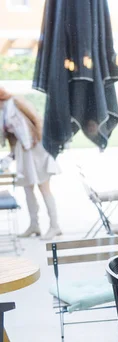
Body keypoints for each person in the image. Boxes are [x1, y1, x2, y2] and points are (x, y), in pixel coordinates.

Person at [0, 87, 62, 240]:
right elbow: (13, 136)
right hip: (25, 151)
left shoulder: (14, 104)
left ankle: (55, 225)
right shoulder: (4, 111)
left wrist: (33, 142)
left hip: (36, 148)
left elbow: (32, 124)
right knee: (28, 188)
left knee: (44, 188)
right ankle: (34, 224)